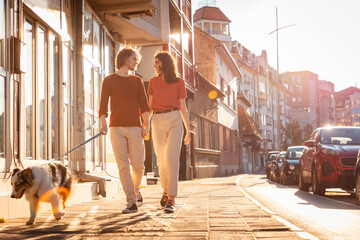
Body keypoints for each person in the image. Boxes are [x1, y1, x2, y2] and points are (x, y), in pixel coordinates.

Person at [99, 47, 150, 214]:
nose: (136, 62)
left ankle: (135, 192)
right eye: (134, 59)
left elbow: (144, 106)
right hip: (116, 129)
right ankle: (131, 201)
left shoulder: (137, 81)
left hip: (135, 128)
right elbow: (103, 105)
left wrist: (146, 125)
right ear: (125, 58)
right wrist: (103, 123)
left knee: (138, 166)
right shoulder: (109, 80)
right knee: (123, 166)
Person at [148, 51, 190, 213]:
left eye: (157, 62)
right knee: (162, 162)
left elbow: (183, 107)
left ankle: (171, 198)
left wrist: (187, 130)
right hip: (157, 120)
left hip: (174, 119)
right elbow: (150, 106)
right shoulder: (152, 81)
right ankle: (165, 190)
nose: (155, 65)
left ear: (165, 63)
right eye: (154, 62)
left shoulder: (179, 82)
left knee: (172, 159)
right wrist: (145, 124)